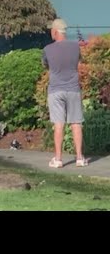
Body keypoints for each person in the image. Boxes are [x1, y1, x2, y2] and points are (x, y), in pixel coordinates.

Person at [42, 18, 87, 168]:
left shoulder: (47, 49)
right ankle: (80, 158)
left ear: (55, 32)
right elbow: (78, 63)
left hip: (55, 90)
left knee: (59, 124)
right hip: (73, 89)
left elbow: (46, 65)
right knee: (76, 124)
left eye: (51, 31)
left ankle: (58, 159)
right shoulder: (75, 47)